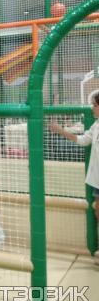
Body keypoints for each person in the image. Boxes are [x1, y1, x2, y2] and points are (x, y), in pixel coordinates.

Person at [49, 89, 99, 231]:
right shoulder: (96, 125)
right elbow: (83, 140)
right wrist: (60, 130)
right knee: (97, 211)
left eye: (95, 105)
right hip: (97, 180)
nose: (92, 108)